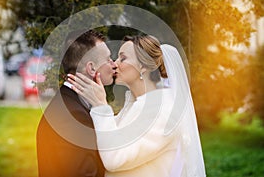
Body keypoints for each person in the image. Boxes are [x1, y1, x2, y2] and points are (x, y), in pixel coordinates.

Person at [68, 35, 206, 177]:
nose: (115, 64)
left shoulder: (163, 111)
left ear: (143, 66)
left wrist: (101, 106)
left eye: (123, 58)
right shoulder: (135, 105)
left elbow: (114, 159)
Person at [36, 30, 117, 177]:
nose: (114, 64)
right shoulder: (74, 115)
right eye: (108, 59)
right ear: (91, 68)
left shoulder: (69, 103)